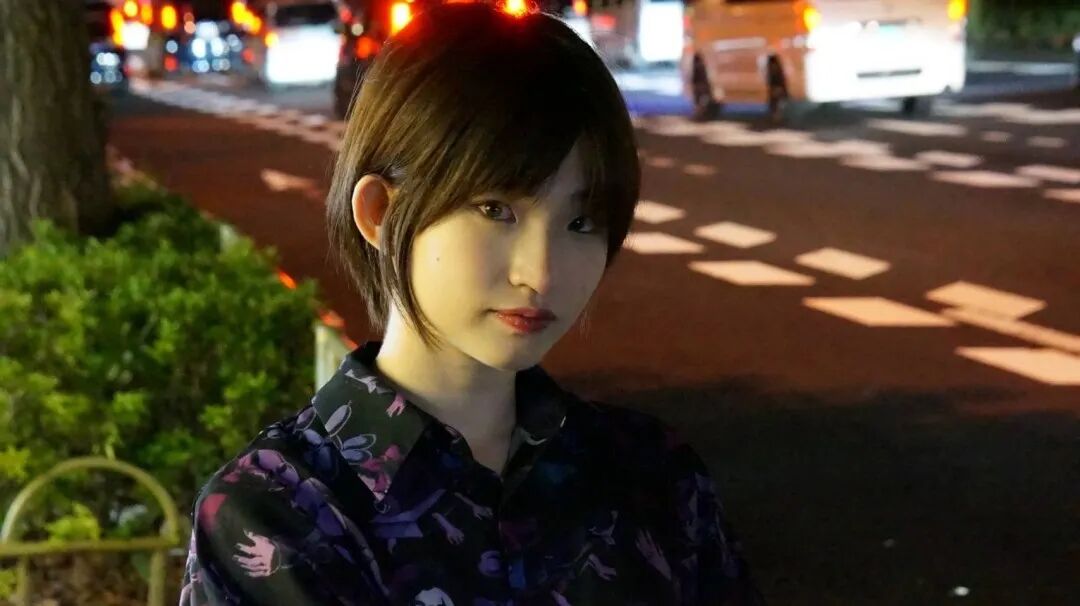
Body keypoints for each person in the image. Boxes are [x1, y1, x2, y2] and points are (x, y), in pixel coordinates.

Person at [178, 2, 764, 604]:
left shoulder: (652, 476)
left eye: (581, 221)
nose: (540, 273)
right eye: (495, 209)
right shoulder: (276, 517)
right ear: (379, 213)